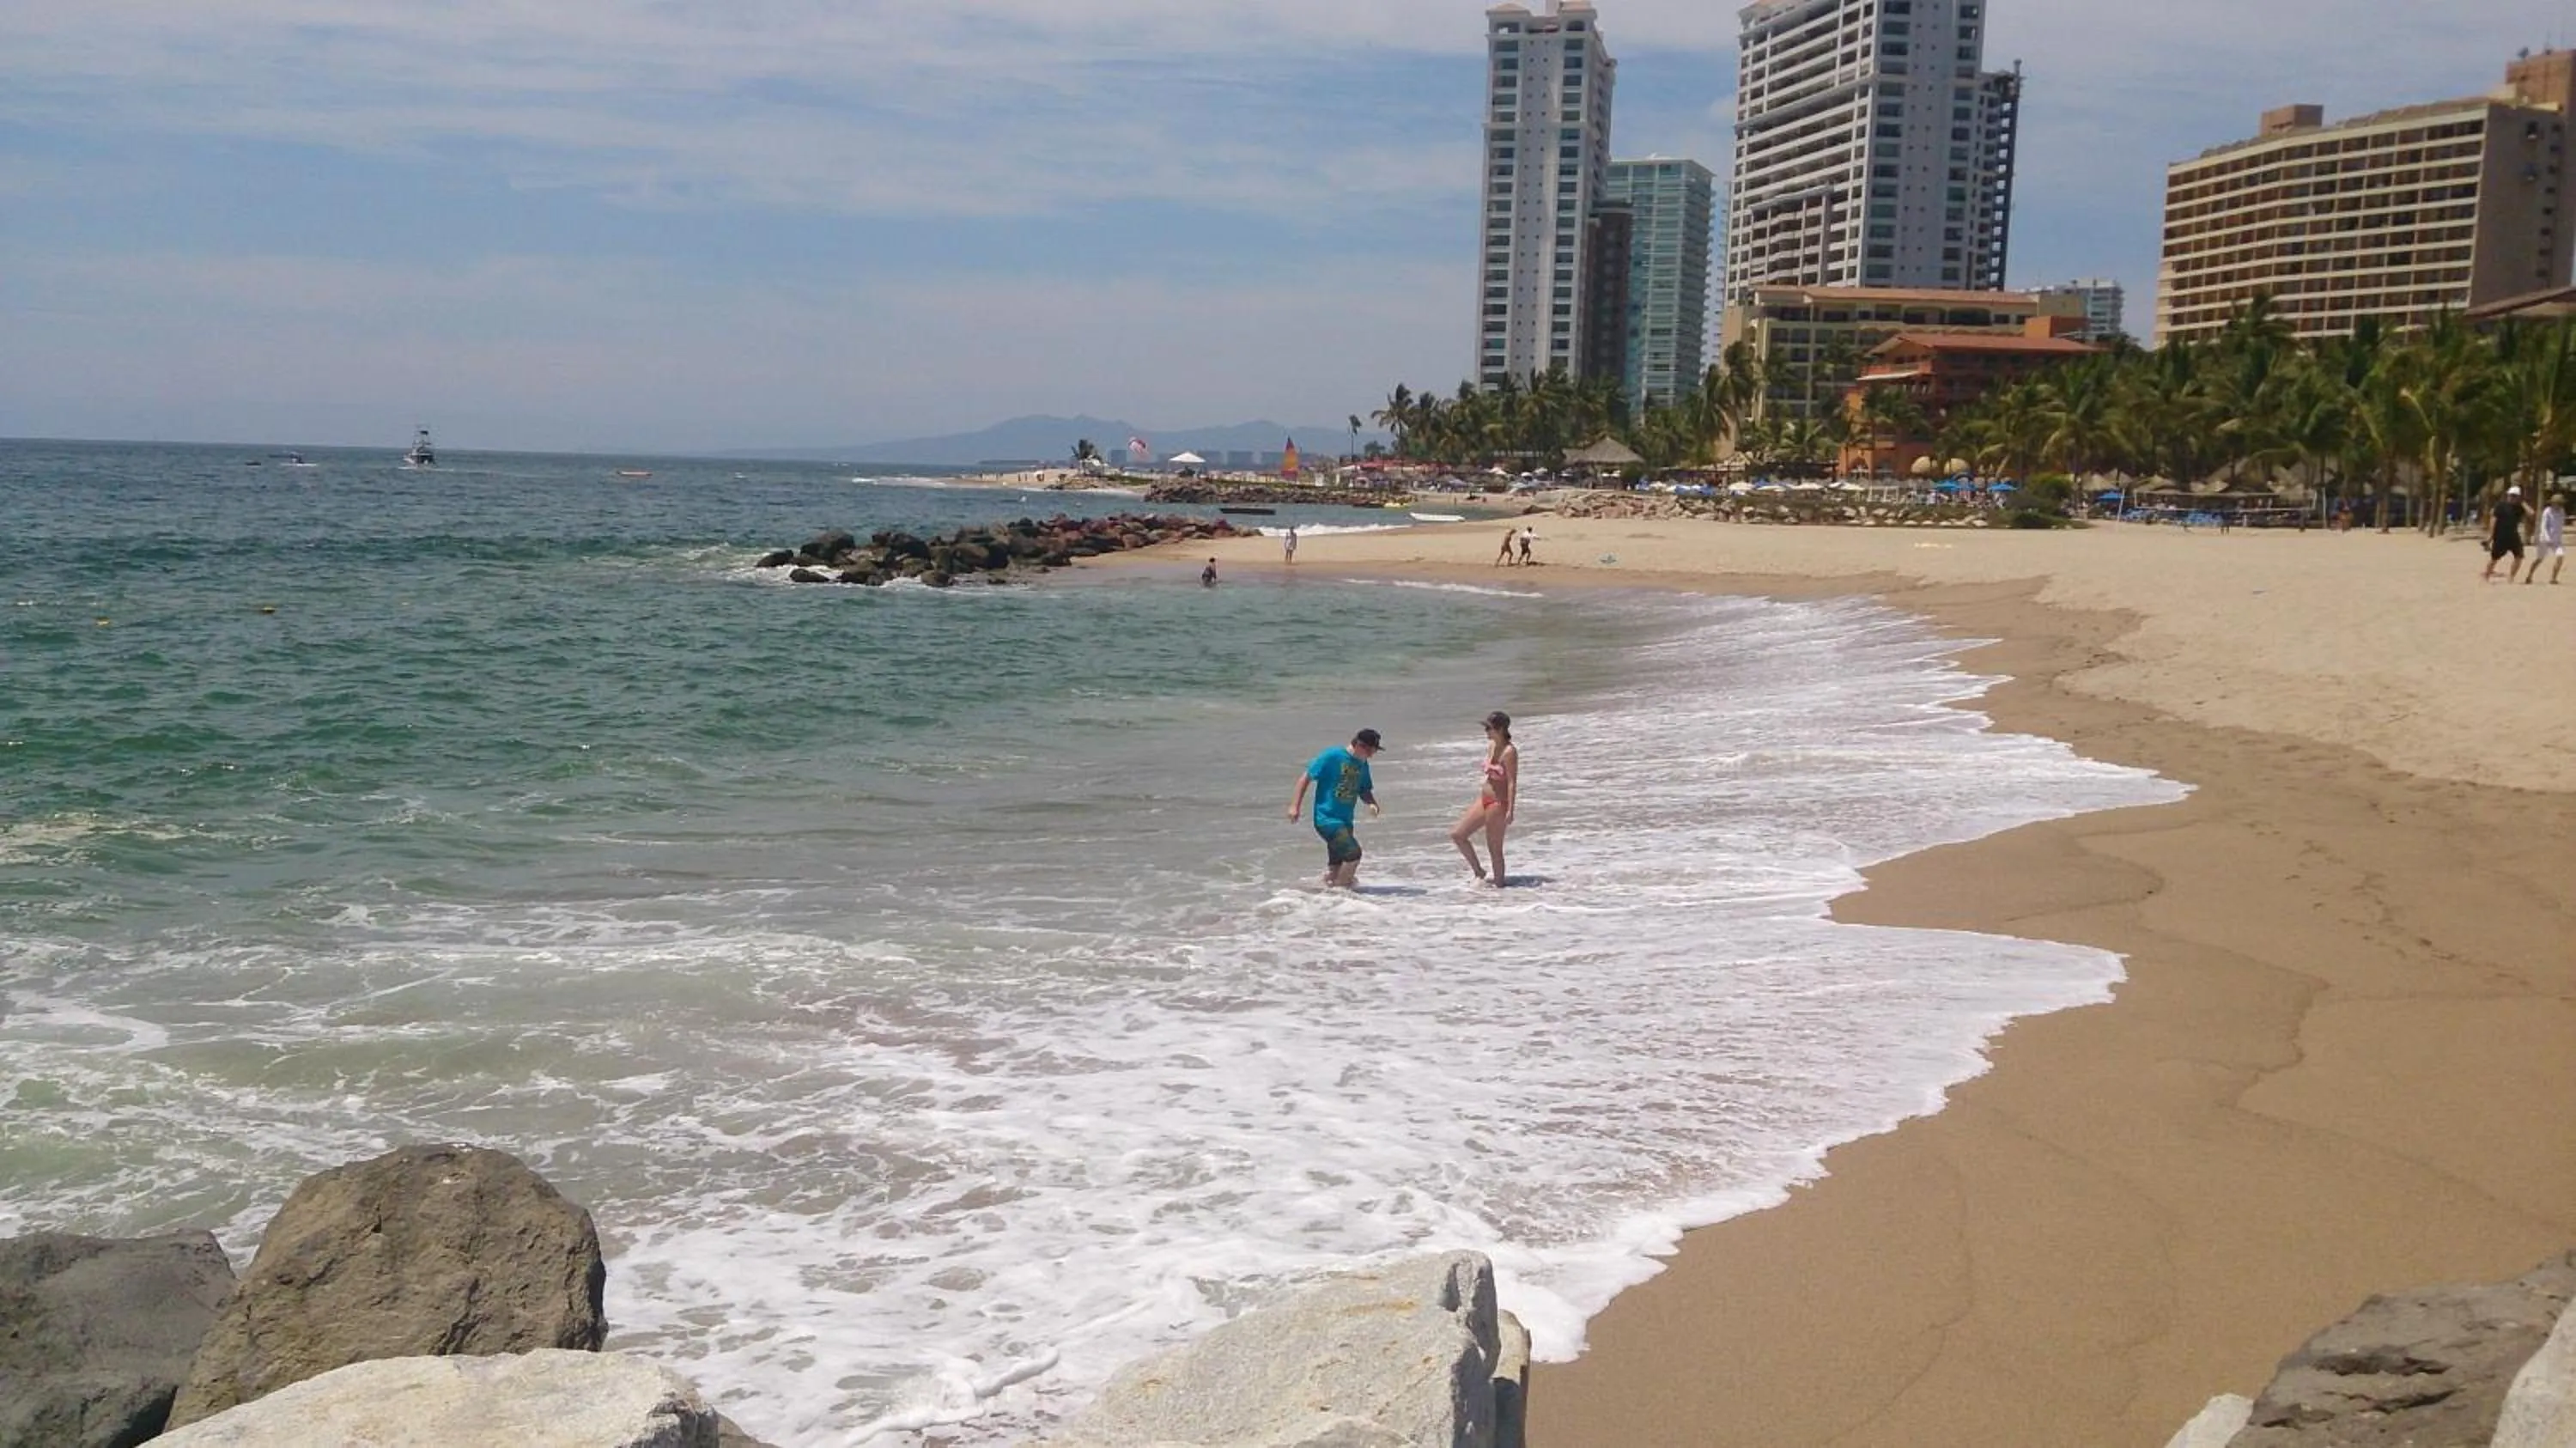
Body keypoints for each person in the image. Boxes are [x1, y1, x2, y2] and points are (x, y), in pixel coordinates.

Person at [1288, 728, 1382, 889]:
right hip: (1327, 819)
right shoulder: (1332, 756)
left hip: (1346, 822)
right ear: (1360, 745)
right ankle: (1342, 892)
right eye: (1370, 751)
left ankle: (1324, 894)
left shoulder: (1362, 764)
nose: (1371, 756)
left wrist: (1372, 803)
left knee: (1336, 867)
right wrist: (1294, 806)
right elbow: (1306, 778)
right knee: (1353, 855)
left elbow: (1364, 789)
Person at [1449, 712, 1519, 888]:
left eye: (1489, 728)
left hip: (1498, 803)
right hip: (1484, 799)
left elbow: (1511, 782)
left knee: (1494, 849)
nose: (1486, 731)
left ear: (1500, 729)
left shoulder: (1510, 752)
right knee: (1458, 834)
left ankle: (1500, 887)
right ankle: (1479, 872)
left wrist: (1510, 809)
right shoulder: (1491, 746)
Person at [2484, 485, 2530, 582]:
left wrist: (2522, 502)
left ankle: (2511, 577)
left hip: (2513, 536)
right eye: (2511, 495)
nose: (2512, 497)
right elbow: (2493, 521)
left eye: (2515, 496)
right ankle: (2486, 576)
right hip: (2500, 536)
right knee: (2495, 558)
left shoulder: (2519, 508)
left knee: (2519, 556)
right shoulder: (2500, 506)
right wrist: (2490, 537)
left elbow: (2531, 513)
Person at [2530, 491, 2568, 585]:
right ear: (2553, 503)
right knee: (2540, 559)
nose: (2559, 505)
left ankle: (2553, 578)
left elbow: (2560, 525)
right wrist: (2547, 538)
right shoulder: (2547, 511)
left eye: (2560, 503)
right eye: (2557, 503)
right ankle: (2530, 575)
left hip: (2557, 540)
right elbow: (2544, 526)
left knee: (2560, 556)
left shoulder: (2562, 511)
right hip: (2545, 539)